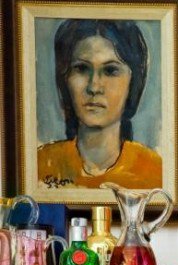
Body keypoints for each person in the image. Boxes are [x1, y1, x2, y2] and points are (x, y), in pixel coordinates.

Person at [37, 19, 162, 190]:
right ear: (64, 79)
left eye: (110, 71)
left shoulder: (155, 172)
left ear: (133, 83)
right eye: (81, 68)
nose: (94, 87)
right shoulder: (40, 165)